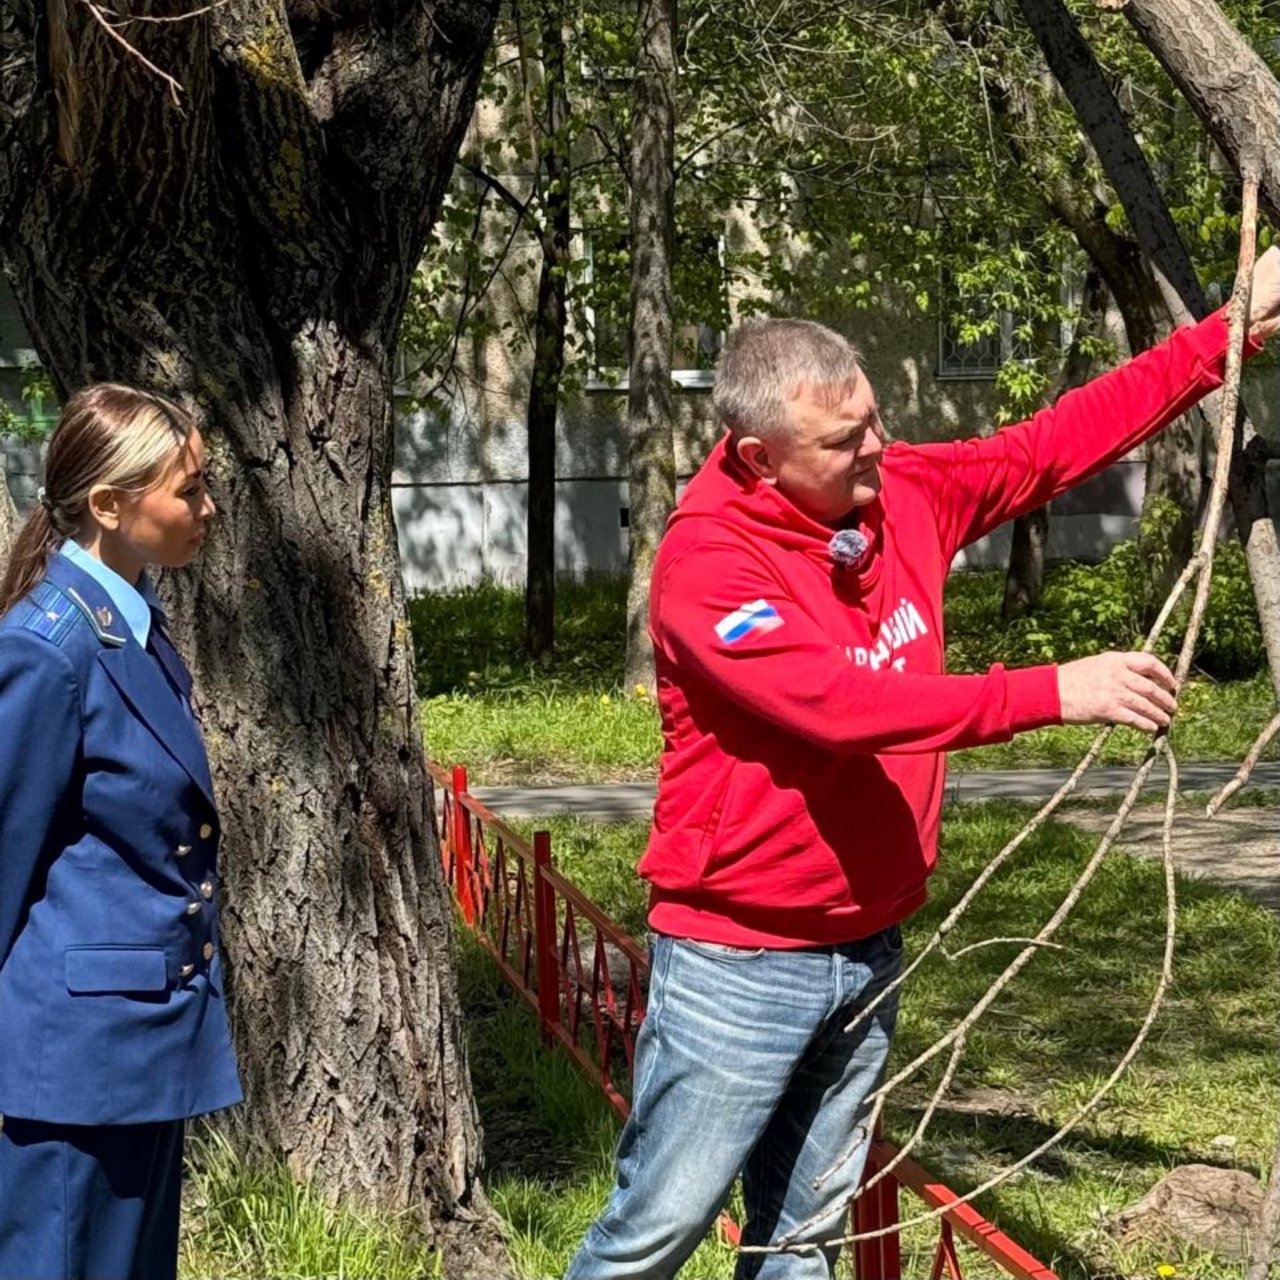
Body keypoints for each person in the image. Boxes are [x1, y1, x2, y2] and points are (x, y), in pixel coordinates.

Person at [566, 246, 1280, 1280]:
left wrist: (1225, 333)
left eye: (871, 419)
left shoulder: (893, 489)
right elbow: (837, 706)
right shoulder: (709, 560)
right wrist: (1049, 690)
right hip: (740, 961)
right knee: (651, 1237)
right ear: (761, 456)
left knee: (802, 1237)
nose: (877, 448)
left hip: (865, 945)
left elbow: (1048, 447)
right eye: (844, 437)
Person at [0, 384, 241, 1280]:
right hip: (71, 1071)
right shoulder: (48, 647)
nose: (208, 508)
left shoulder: (131, 626)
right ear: (108, 506)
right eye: (188, 491)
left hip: (138, 1048)